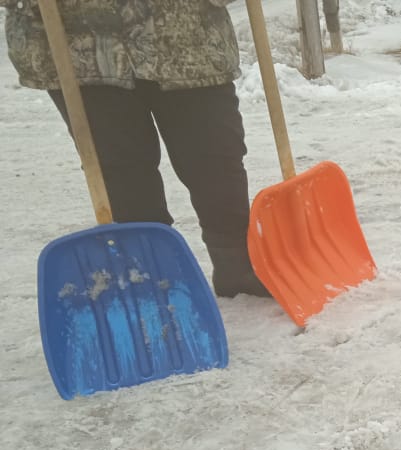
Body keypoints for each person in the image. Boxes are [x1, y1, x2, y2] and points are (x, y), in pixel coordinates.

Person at [4, 0, 271, 298]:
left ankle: (237, 264)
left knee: (215, 156)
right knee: (122, 169)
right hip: (81, 47)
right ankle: (155, 275)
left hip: (188, 35)